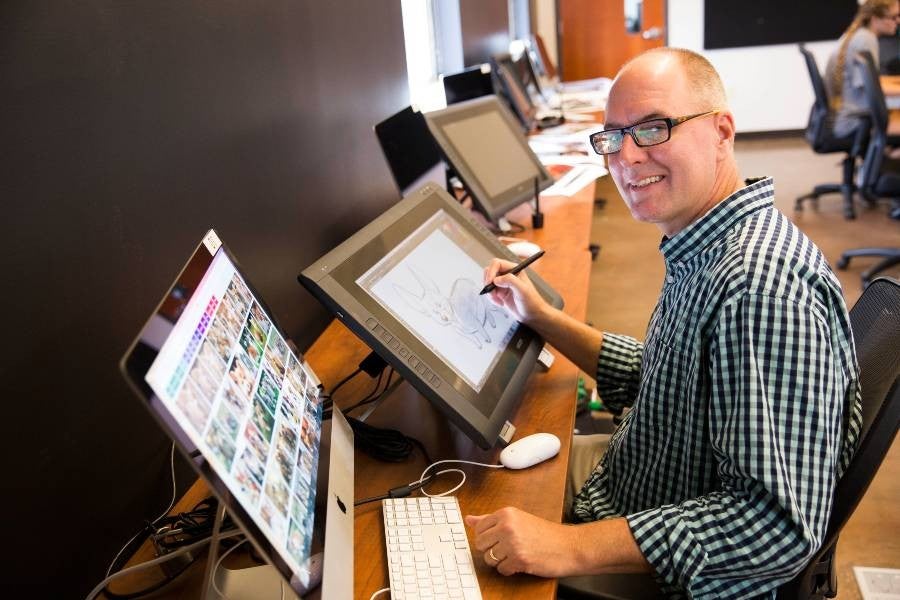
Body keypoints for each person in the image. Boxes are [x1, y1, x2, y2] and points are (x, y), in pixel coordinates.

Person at [466, 47, 864, 598]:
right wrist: (543, 317)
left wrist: (565, 546)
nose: (626, 157)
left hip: (669, 571)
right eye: (612, 137)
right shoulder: (705, 241)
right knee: (476, 487)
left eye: (653, 129)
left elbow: (777, 528)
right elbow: (662, 378)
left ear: (722, 132)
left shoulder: (759, 287)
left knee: (458, 521)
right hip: (636, 478)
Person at [825, 0, 900, 138]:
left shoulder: (860, 35)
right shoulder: (866, 41)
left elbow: (871, 83)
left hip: (851, 117)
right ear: (875, 19)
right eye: (894, 17)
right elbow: (871, 88)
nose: (898, 21)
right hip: (857, 121)